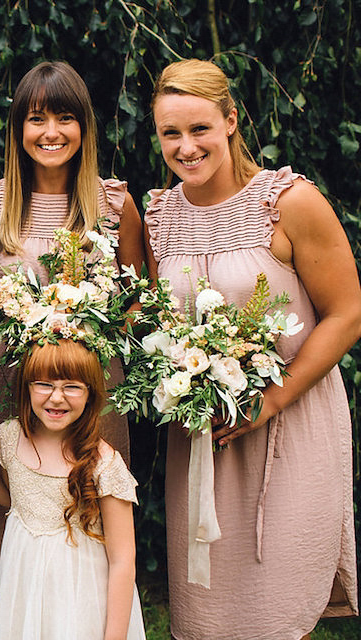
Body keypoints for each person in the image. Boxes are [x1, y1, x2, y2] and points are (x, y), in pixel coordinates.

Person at [147, 58, 360, 639]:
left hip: (290, 421)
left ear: (231, 121)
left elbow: (346, 315)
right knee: (210, 610)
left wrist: (271, 399)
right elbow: (150, 321)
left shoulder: (288, 202)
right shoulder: (158, 217)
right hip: (203, 435)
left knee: (278, 598)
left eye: (199, 129)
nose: (186, 147)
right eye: (171, 133)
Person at [0, 60, 143, 571]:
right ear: (18, 129)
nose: (51, 132)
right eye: (36, 118)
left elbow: (141, 297)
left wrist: (95, 327)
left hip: (92, 384)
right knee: (20, 520)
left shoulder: (113, 204)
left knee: (92, 510)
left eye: (64, 118)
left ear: (84, 126)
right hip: (11, 384)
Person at [0, 339, 145, 639]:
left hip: (80, 588)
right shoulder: (11, 438)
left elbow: (123, 560)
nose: (57, 397)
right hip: (25, 577)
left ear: (90, 394)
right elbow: (20, 501)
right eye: (45, 384)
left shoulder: (104, 463)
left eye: (72, 386)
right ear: (27, 388)